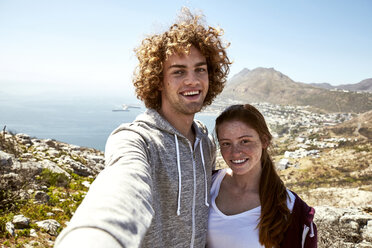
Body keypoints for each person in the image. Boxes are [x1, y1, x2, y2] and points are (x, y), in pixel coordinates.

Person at [54, 8, 231, 248]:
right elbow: (122, 187)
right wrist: (96, 236)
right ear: (158, 80)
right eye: (179, 71)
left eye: (200, 69)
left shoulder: (205, 142)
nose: (193, 80)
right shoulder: (136, 139)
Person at [207, 104, 317, 248]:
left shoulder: (291, 209)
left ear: (264, 140)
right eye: (226, 143)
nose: (235, 152)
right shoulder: (208, 185)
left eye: (244, 141)